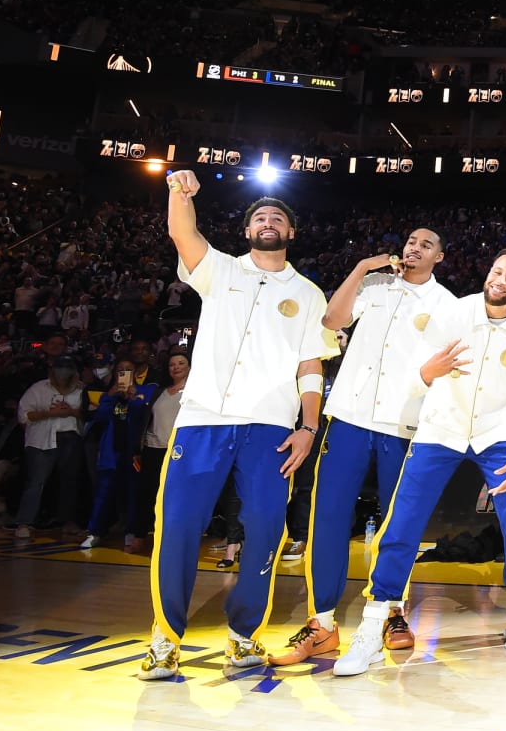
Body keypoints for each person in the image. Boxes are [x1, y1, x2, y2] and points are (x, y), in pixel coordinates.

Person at [136, 180, 339, 680]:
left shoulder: (309, 293)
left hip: (270, 426)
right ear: (246, 230)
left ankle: (243, 637)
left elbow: (310, 366)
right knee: (178, 527)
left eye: (277, 218)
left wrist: (309, 426)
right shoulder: (220, 269)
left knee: (267, 530)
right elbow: (181, 233)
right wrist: (180, 193)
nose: (268, 222)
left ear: (292, 231)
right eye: (259, 218)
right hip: (203, 419)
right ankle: (165, 639)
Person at [334, 247, 506, 674]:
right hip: (440, 428)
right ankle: (372, 627)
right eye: (496, 271)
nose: (500, 280)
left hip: (500, 433)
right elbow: (413, 377)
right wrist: (425, 375)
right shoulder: (455, 313)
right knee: (402, 525)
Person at [270, 227, 456, 666]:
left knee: (399, 525)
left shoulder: (447, 306)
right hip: (349, 418)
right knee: (328, 518)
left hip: (403, 423)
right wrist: (360, 268)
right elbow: (332, 322)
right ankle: (322, 624)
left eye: (426, 244)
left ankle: (393, 612)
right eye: (411, 241)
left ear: (440, 257)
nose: (415, 248)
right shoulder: (372, 285)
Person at [80, 358, 156, 550]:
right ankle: (95, 532)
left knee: (133, 493)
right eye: (120, 370)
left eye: (128, 369)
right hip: (110, 452)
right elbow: (100, 417)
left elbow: (142, 416)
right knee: (103, 493)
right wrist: (111, 396)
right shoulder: (109, 394)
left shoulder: (145, 391)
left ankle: (130, 531)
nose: (124, 372)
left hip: (133, 452)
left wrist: (133, 397)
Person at [11, 356, 85, 540]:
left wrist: (70, 411)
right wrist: (50, 413)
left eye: (67, 368)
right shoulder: (39, 388)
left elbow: (89, 413)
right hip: (42, 439)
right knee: (36, 481)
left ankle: (68, 521)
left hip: (71, 437)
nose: (63, 372)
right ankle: (24, 522)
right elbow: (24, 416)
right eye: (60, 368)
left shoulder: (81, 389)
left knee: (70, 482)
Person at [134, 352, 190, 550]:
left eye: (181, 363)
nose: (175, 367)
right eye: (172, 364)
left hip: (179, 453)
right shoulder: (159, 391)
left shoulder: (194, 392)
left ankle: (172, 540)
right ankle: (139, 536)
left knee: (175, 498)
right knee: (147, 495)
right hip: (153, 448)